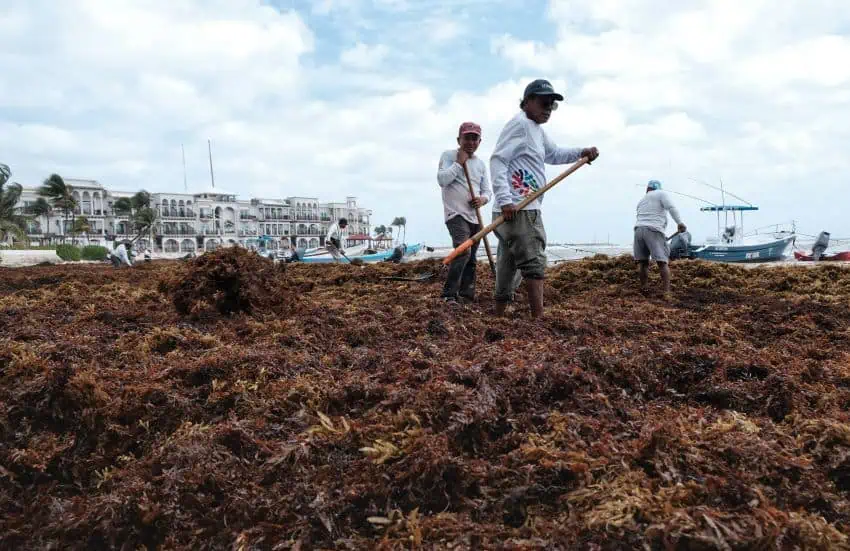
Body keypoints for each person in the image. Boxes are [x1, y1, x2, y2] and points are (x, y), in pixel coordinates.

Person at [489, 78, 599, 318]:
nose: (548, 108)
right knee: (534, 262)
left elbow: (554, 154)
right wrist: (506, 199)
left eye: (552, 104)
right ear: (527, 102)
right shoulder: (520, 125)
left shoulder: (536, 130)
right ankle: (538, 317)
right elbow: (498, 160)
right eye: (543, 102)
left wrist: (581, 152)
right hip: (520, 208)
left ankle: (498, 313)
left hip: (516, 208)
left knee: (508, 263)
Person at [437, 121, 492, 302]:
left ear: (479, 141)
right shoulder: (448, 156)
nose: (470, 142)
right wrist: (459, 164)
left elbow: (487, 191)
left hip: (474, 217)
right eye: (467, 138)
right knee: (462, 252)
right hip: (455, 214)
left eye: (474, 139)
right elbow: (442, 180)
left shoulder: (480, 164)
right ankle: (449, 294)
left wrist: (482, 200)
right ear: (459, 139)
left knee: (472, 258)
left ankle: (466, 295)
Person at [633, 180, 686, 294]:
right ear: (658, 188)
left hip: (638, 230)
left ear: (648, 189)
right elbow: (671, 208)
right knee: (662, 262)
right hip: (654, 230)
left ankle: (644, 288)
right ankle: (666, 292)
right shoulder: (661, 193)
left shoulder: (642, 200)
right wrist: (679, 223)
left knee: (643, 263)